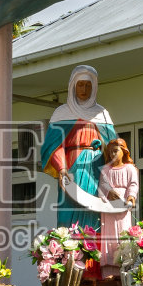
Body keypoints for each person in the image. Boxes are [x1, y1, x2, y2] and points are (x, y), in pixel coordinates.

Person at [40, 65, 117, 231]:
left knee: (94, 209)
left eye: (88, 85)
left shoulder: (102, 114)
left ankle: (94, 250)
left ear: (94, 88)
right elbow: (54, 145)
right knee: (69, 211)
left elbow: (114, 147)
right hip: (71, 168)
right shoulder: (62, 113)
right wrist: (61, 168)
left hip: (96, 168)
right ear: (73, 87)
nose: (84, 89)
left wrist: (105, 150)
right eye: (81, 84)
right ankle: (67, 250)